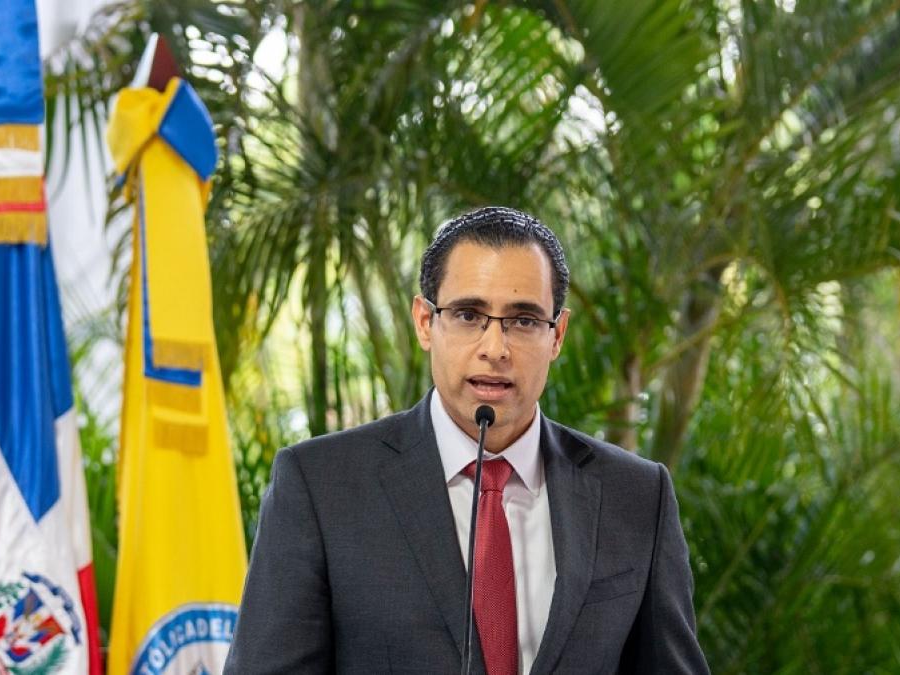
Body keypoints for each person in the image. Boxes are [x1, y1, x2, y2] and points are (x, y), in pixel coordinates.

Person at [225, 206, 709, 674]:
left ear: (557, 335)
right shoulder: (321, 486)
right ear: (425, 322)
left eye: (524, 321)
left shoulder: (636, 495)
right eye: (467, 314)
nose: (494, 349)